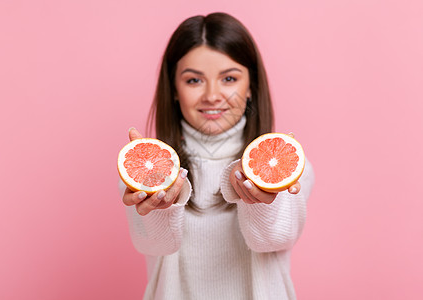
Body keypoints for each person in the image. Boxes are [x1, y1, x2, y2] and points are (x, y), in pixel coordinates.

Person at [119, 12, 315, 300]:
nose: (212, 95)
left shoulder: (287, 168)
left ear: (250, 88)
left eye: (229, 78)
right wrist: (161, 204)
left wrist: (259, 198)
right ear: (174, 89)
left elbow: (273, 240)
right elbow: (153, 245)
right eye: (194, 80)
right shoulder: (144, 170)